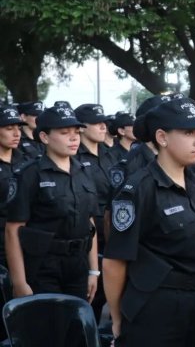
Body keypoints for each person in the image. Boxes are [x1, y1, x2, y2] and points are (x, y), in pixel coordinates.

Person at [102, 98, 195, 347]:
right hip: (157, 306)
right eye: (188, 133)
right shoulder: (137, 190)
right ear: (162, 138)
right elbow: (115, 261)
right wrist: (117, 316)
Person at [6, 105, 99, 302]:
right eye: (65, 133)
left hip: (78, 264)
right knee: (49, 327)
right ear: (45, 137)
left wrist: (94, 271)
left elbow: (90, 223)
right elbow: (13, 230)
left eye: (76, 132)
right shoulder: (30, 174)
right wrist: (19, 282)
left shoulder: (84, 172)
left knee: (77, 327)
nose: (73, 138)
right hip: (44, 265)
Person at [74, 103, 114, 322]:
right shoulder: (74, 157)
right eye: (97, 123)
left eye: (104, 122)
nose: (103, 127)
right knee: (91, 297)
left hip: (113, 234)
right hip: (89, 235)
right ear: (81, 127)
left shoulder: (110, 155)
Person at [0, 106, 28, 266]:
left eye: (18, 128)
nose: (17, 134)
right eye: (9, 128)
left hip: (25, 242)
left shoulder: (26, 161)